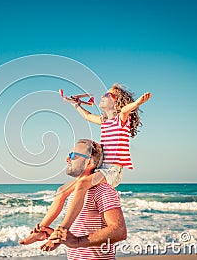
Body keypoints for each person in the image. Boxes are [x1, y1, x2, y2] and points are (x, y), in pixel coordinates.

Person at [19, 84, 150, 250]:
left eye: (108, 95)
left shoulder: (120, 119)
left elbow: (125, 110)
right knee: (61, 191)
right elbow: (88, 116)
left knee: (81, 184)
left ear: (117, 104)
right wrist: (76, 104)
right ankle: (40, 230)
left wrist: (138, 102)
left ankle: (62, 231)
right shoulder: (104, 121)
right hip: (102, 169)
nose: (104, 96)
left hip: (112, 171)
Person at [27, 139, 127, 259]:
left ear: (89, 162)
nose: (67, 159)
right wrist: (57, 236)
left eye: (73, 155)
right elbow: (82, 231)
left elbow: (119, 231)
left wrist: (77, 241)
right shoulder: (74, 193)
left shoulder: (102, 190)